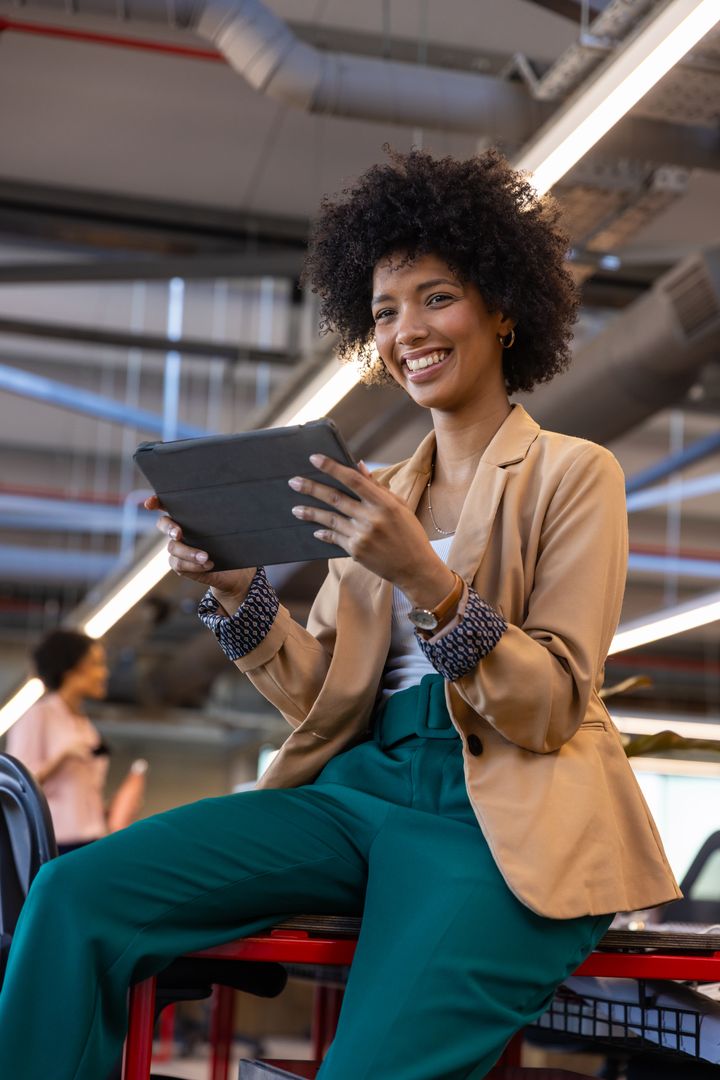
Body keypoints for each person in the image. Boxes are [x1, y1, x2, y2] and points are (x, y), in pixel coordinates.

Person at [0, 149, 680, 1080]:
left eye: (436, 298)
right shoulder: (375, 492)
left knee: (370, 1066)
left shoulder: (571, 473)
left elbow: (553, 704)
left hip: (501, 809)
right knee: (75, 893)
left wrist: (429, 582)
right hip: (357, 789)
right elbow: (325, 697)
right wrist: (236, 590)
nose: (408, 331)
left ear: (504, 309)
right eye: (385, 312)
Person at [6, 629, 148, 854]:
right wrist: (61, 758)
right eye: (96, 664)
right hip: (55, 841)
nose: (104, 673)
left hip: (93, 837)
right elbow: (17, 786)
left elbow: (76, 791)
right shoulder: (38, 716)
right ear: (71, 669)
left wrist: (110, 810)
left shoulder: (84, 725)